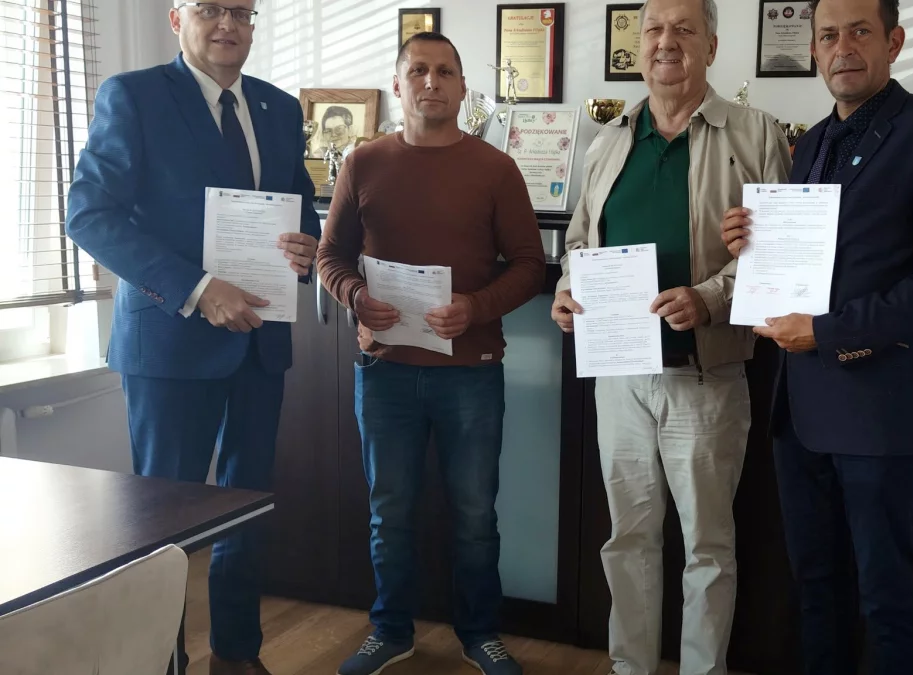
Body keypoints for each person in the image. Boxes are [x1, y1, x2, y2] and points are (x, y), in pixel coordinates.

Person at [721, 0, 913, 673]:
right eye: (828, 35)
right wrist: (752, 244)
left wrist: (830, 332)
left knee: (885, 597)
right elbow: (814, 262)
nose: (843, 47)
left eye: (860, 31)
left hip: (881, 407)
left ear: (893, 41)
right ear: (813, 50)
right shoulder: (809, 142)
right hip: (801, 408)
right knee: (816, 586)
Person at [65, 2, 320, 674]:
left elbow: (300, 203)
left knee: (246, 508)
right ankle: (163, 661)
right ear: (177, 19)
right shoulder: (135, 96)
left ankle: (236, 654)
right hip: (171, 343)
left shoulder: (278, 109)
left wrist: (307, 244)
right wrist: (198, 289)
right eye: (210, 8)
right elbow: (88, 213)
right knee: (164, 521)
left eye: (241, 11)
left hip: (260, 339)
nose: (226, 23)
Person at [551, 0, 791, 673]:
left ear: (711, 47)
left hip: (706, 377)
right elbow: (579, 241)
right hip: (620, 376)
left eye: (685, 29)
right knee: (626, 539)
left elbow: (782, 255)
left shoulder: (755, 133)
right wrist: (569, 290)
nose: (666, 41)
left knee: (707, 547)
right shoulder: (609, 140)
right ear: (638, 46)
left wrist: (709, 298)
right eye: (653, 28)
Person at [316, 32, 544, 675]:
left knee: (474, 514)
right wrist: (355, 295)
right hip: (385, 372)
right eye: (418, 70)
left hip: (471, 372)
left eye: (445, 72)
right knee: (389, 513)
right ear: (398, 84)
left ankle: (480, 634)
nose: (431, 83)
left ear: (463, 87)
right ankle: (390, 631)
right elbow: (330, 257)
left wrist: (476, 307)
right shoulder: (363, 162)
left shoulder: (495, 168)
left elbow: (529, 266)